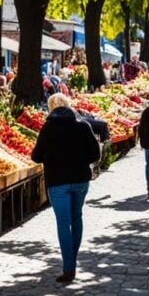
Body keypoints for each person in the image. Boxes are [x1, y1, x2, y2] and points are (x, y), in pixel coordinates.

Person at [31, 93, 101, 284]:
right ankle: (72, 259)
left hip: (57, 181)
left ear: (50, 108)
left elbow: (36, 157)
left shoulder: (48, 128)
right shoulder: (82, 126)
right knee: (76, 217)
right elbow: (95, 154)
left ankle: (69, 267)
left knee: (63, 223)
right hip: (80, 180)